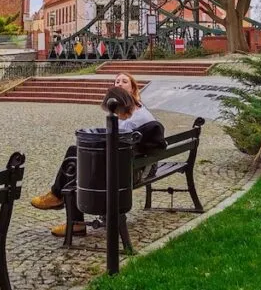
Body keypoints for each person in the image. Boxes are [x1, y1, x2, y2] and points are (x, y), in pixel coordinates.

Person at [30, 82, 163, 238]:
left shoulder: (131, 121)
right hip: (139, 166)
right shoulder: (139, 113)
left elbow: (116, 147)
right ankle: (59, 199)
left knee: (76, 168)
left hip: (129, 174)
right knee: (75, 159)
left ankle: (67, 210)